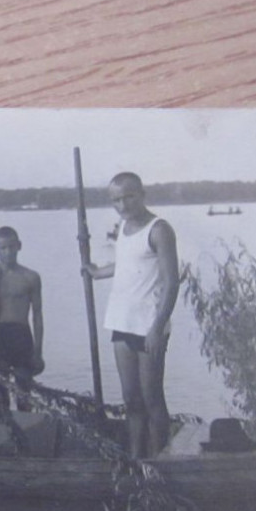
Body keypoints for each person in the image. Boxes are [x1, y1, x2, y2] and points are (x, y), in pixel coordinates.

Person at [84, 171, 180, 459]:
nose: (123, 205)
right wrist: (98, 272)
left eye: (128, 197)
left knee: (152, 398)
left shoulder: (159, 229)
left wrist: (157, 327)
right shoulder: (124, 228)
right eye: (116, 200)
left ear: (142, 194)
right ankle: (136, 459)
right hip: (122, 322)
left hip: (149, 324)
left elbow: (172, 282)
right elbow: (128, 262)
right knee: (131, 399)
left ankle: (157, 461)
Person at [0, 226, 44, 406]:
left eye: (11, 247)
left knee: (24, 392)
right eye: (3, 248)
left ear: (19, 246)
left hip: (21, 334)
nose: (8, 252)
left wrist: (38, 352)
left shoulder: (31, 277)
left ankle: (25, 430)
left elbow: (37, 316)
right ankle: (5, 432)